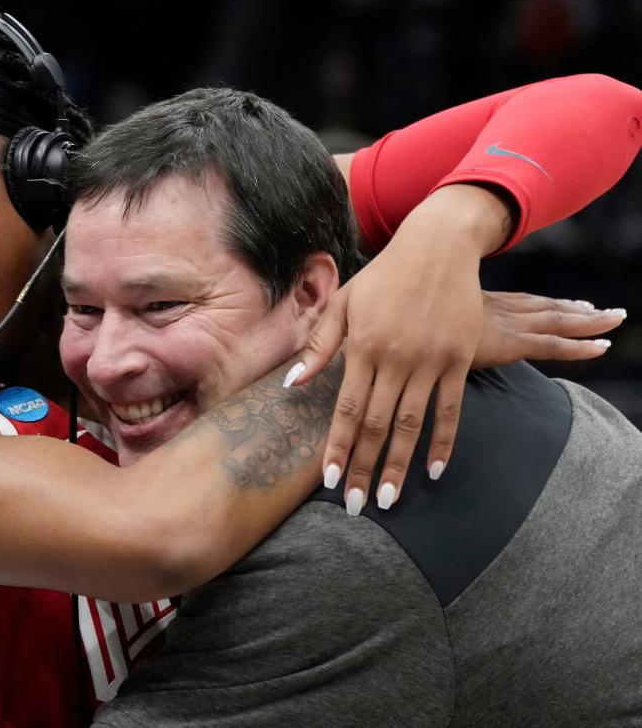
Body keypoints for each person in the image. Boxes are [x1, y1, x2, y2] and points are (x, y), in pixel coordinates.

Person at [0, 0, 638, 726]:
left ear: (42, 172)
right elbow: (153, 529)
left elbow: (604, 104)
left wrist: (445, 236)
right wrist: (373, 336)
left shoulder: (188, 225)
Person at [48, 87, 642, 726]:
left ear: (310, 293)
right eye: (83, 310)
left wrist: (445, 228)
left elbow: (614, 103)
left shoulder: (333, 556)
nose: (106, 362)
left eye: (160, 307)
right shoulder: (456, 363)